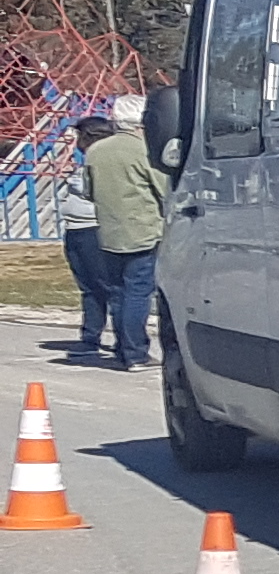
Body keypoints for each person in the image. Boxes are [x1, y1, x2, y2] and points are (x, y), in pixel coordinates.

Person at [83, 96, 171, 373]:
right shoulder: (143, 150)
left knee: (118, 293)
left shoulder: (95, 151)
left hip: (108, 232)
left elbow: (88, 191)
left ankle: (123, 349)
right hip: (142, 230)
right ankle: (136, 353)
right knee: (138, 293)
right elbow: (164, 190)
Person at [58, 116, 116, 358]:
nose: (76, 142)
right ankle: (90, 336)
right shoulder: (85, 162)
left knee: (105, 285)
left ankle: (126, 340)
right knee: (88, 287)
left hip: (94, 229)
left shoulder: (105, 159)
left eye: (80, 136)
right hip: (75, 229)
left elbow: (94, 190)